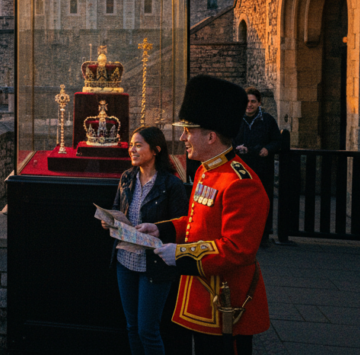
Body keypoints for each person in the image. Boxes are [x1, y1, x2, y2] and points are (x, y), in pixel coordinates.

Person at [137, 75, 271, 355]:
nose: (183, 137)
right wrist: (162, 229)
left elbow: (238, 249)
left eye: (188, 131)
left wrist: (181, 254)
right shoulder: (206, 169)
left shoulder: (240, 182)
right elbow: (200, 221)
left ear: (210, 136)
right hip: (201, 295)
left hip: (225, 303)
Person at [103, 126, 188, 355]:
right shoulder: (127, 177)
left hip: (154, 265)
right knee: (132, 327)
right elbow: (116, 207)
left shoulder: (172, 185)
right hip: (125, 261)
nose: (132, 149)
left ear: (156, 150)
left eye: (138, 145)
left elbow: (182, 226)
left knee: (147, 330)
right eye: (131, 144)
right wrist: (110, 220)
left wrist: (159, 231)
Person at [233, 87, 281, 247]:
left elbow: (277, 141)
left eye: (253, 101)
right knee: (242, 203)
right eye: (247, 101)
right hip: (241, 170)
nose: (249, 105)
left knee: (262, 202)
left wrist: (268, 149)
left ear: (259, 102)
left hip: (262, 169)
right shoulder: (236, 119)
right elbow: (228, 141)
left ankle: (264, 235)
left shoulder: (267, 120)